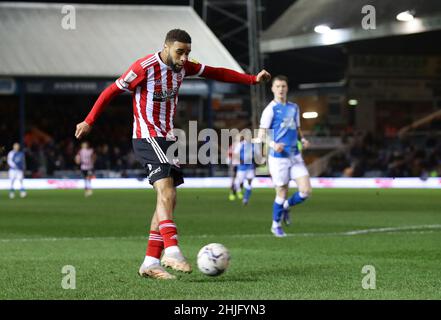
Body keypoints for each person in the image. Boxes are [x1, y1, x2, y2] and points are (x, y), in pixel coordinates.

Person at [75, 29, 271, 279]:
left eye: (188, 52)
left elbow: (217, 73)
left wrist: (252, 79)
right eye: (180, 52)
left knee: (168, 199)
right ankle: (172, 250)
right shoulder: (143, 67)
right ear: (166, 47)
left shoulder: (185, 66)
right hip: (147, 136)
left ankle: (149, 262)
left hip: (167, 138)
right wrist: (89, 120)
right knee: (166, 192)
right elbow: (111, 91)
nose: (184, 58)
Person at [258, 75, 311, 237]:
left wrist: (303, 139)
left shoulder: (294, 107)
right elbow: (261, 134)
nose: (281, 89)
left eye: (283, 86)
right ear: (273, 89)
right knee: (282, 190)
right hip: (278, 157)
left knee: (305, 191)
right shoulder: (270, 110)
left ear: (287, 88)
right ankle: (275, 225)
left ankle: (286, 206)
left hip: (295, 156)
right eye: (278, 86)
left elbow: (297, 128)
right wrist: (274, 145)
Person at [233, 135, 259, 205]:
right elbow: (235, 154)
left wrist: (256, 163)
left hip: (250, 167)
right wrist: (240, 160)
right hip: (242, 167)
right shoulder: (240, 144)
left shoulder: (254, 145)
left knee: (249, 182)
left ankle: (245, 199)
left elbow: (257, 156)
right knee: (239, 182)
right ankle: (235, 189)